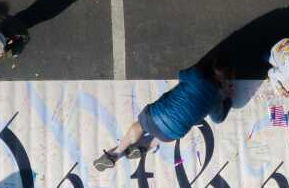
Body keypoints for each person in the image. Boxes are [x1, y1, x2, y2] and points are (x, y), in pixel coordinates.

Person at [94, 57, 233, 171]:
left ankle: (116, 152)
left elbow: (181, 75)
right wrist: (227, 98)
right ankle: (145, 147)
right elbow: (218, 119)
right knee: (161, 136)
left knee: (140, 126)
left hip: (155, 116)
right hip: (172, 133)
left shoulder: (196, 75)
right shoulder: (216, 99)